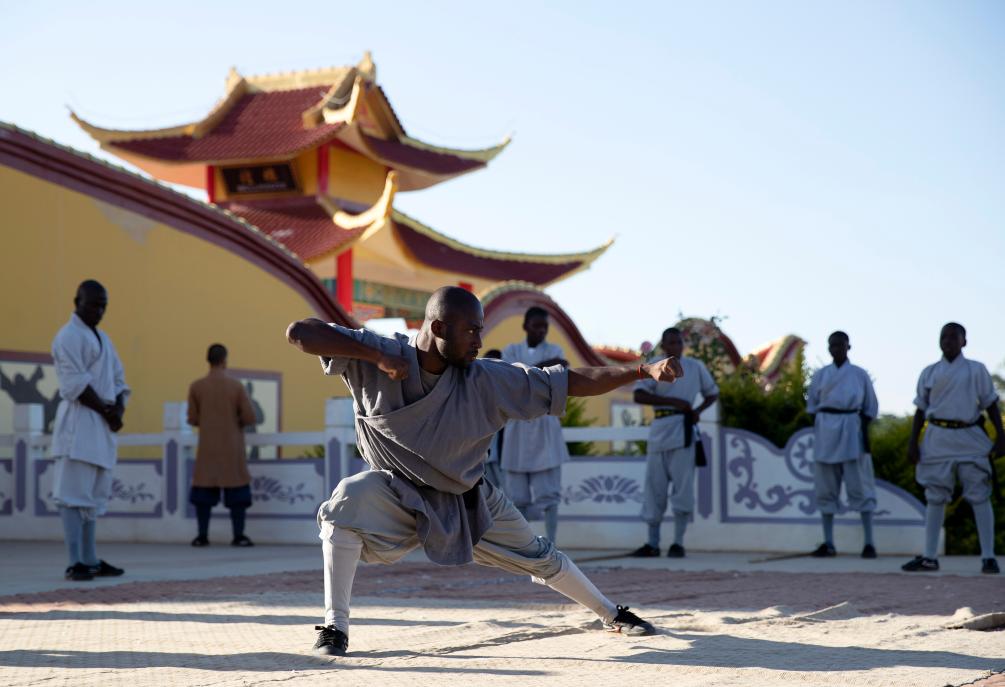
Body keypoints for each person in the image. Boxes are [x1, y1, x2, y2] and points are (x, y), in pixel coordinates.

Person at [286, 286, 684, 656]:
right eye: (471, 331)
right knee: (345, 503)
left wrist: (640, 370)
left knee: (540, 556)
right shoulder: (377, 353)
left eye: (480, 331)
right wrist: (376, 357)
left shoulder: (488, 379)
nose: (479, 341)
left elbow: (570, 381)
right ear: (438, 327)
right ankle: (334, 627)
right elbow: (300, 332)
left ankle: (612, 613)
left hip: (467, 498)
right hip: (396, 493)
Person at [902, 322, 1002, 575]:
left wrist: (1002, 436)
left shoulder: (976, 370)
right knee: (934, 497)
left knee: (979, 495)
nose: (947, 341)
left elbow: (990, 404)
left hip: (970, 435)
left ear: (964, 341)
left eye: (953, 337)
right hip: (937, 437)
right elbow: (920, 410)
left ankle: (988, 557)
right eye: (943, 337)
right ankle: (929, 556)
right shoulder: (930, 372)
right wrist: (913, 442)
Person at [50, 280, 129, 581]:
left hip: (103, 424)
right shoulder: (68, 336)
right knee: (72, 494)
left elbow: (120, 380)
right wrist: (107, 411)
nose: (99, 310)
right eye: (94, 304)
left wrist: (117, 410)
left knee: (94, 497)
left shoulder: (104, 339)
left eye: (103, 305)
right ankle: (76, 561)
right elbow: (74, 383)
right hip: (79, 422)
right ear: (77, 301)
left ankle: (90, 557)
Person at [630, 327, 719, 558]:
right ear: (664, 345)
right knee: (655, 488)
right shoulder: (655, 366)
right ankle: (652, 543)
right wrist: (673, 401)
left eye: (679, 342)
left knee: (683, 488)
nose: (675, 347)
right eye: (671, 343)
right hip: (660, 428)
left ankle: (678, 542)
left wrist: (696, 410)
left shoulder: (694, 367)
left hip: (683, 429)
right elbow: (638, 395)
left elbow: (712, 393)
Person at [805, 331, 880, 558]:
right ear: (828, 348)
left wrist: (861, 433)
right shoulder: (820, 376)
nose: (836, 348)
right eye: (832, 345)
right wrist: (824, 424)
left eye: (840, 344)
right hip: (826, 430)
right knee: (826, 488)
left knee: (860, 486)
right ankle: (828, 543)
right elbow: (811, 406)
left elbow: (870, 408)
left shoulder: (859, 375)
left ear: (849, 347)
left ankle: (869, 543)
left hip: (852, 430)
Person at [501, 307, 569, 543]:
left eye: (544, 327)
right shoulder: (511, 351)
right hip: (518, 429)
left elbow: (560, 369)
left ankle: (551, 542)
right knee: (516, 496)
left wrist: (530, 372)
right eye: (536, 326)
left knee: (549, 494)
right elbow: (510, 378)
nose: (541, 331)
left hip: (545, 430)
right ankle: (522, 544)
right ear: (525, 326)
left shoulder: (555, 349)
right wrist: (543, 369)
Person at [187, 343, 258, 547]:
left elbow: (192, 418)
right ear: (224, 360)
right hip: (231, 447)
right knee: (237, 496)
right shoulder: (235, 386)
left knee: (203, 495)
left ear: (207, 360)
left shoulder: (196, 386)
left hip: (207, 448)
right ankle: (238, 536)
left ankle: (202, 536)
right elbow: (249, 416)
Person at [482, 349, 505, 490]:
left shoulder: (507, 390)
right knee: (488, 493)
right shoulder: (475, 388)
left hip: (503, 454)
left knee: (510, 494)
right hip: (483, 454)